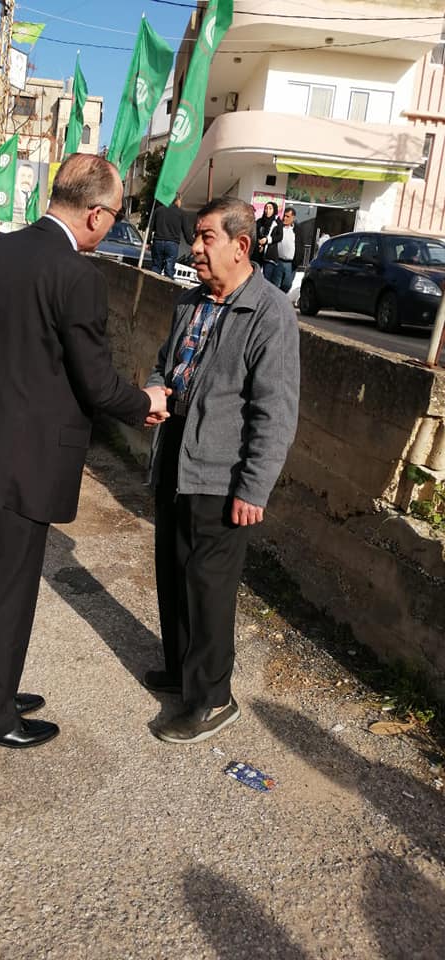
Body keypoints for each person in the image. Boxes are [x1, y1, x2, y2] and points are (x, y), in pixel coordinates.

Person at [0, 153, 170, 750]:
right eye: (114, 217)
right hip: (25, 460)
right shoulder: (77, 276)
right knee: (9, 591)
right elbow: (97, 383)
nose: (111, 229)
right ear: (94, 214)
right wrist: (144, 402)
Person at [143, 196, 300, 744]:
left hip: (223, 469)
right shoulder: (191, 301)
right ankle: (182, 671)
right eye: (195, 237)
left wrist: (254, 487)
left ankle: (212, 698)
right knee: (173, 570)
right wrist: (156, 389)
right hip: (177, 451)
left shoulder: (269, 313)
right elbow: (166, 363)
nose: (195, 247)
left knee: (208, 586)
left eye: (206, 237)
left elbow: (275, 412)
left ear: (241, 245)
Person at [151, 194, 190, 279]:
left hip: (158, 242)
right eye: (180, 200)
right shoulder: (181, 213)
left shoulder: (158, 210)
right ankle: (166, 286)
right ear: (177, 200)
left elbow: (151, 227)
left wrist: (147, 241)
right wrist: (192, 242)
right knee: (169, 271)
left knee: (156, 267)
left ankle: (150, 284)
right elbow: (187, 232)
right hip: (172, 244)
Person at [254, 201, 283, 284]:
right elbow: (255, 234)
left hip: (270, 254)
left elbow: (279, 237)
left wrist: (267, 240)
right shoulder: (259, 221)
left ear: (274, 210)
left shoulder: (277, 222)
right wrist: (259, 244)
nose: (267, 210)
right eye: (266, 208)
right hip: (258, 254)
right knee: (255, 276)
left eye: (270, 208)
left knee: (266, 278)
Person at [274, 206, 302, 293]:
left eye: (288, 216)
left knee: (287, 285)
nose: (285, 218)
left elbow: (300, 245)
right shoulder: (278, 228)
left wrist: (298, 261)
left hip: (290, 264)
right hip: (278, 261)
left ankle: (281, 297)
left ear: (293, 218)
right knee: (275, 285)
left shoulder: (297, 230)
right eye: (284, 216)